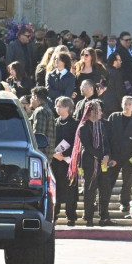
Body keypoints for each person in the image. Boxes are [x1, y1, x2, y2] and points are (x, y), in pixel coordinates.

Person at [69, 100, 113, 227]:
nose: (100, 113)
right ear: (91, 112)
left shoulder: (102, 126)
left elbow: (106, 143)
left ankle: (103, 216)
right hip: (89, 162)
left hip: (103, 162)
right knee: (90, 190)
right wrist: (100, 157)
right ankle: (89, 218)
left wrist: (107, 155)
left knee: (104, 189)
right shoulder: (83, 127)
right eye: (97, 110)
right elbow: (87, 147)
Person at [107, 96, 132, 218]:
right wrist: (109, 155)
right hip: (114, 155)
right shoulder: (114, 117)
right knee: (108, 180)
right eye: (125, 104)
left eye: (129, 104)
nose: (127, 106)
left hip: (128, 157)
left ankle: (125, 203)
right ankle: (103, 201)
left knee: (127, 182)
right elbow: (107, 135)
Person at [52, 97, 78, 226]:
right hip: (55, 161)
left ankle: (71, 216)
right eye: (56, 106)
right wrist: (54, 154)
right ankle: (54, 215)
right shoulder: (54, 122)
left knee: (70, 190)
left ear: (67, 107)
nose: (57, 108)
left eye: (60, 106)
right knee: (55, 188)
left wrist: (65, 154)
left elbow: (76, 143)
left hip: (68, 161)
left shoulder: (74, 124)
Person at [29, 87, 55, 162]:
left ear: (35, 97)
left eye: (31, 97)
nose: (30, 100)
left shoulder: (40, 111)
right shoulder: (48, 110)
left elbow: (37, 136)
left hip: (39, 156)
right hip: (47, 155)